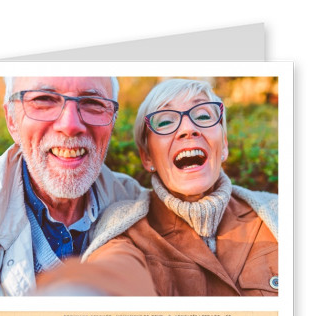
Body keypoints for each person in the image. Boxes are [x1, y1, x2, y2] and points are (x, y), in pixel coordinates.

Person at [36, 78, 278, 296]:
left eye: (203, 116)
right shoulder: (126, 229)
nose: (188, 129)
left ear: (223, 144)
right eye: (165, 121)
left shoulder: (277, 213)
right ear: (147, 157)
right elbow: (114, 271)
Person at [0, 76, 147, 296]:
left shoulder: (136, 204)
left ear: (112, 121)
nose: (70, 126)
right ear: (11, 120)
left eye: (93, 103)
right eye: (44, 99)